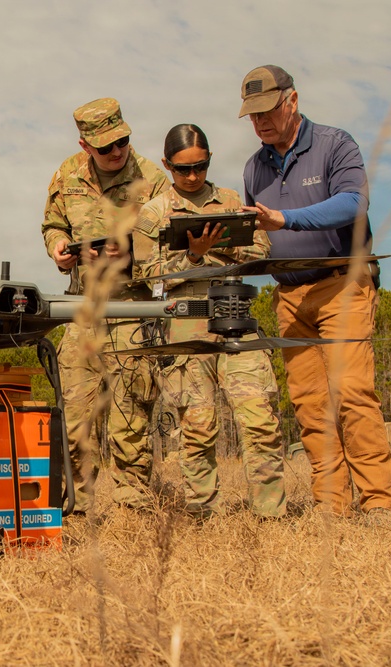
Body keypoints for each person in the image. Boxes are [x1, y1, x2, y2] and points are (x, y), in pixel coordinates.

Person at [238, 64, 391, 519]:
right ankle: (331, 505)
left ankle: (380, 503)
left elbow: (354, 203)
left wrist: (286, 219)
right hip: (288, 296)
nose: (260, 122)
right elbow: (259, 234)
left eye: (267, 110)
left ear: (291, 100)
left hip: (341, 285)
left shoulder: (335, 143)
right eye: (252, 116)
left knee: (351, 392)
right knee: (309, 404)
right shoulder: (254, 166)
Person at [133, 123, 286, 519]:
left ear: (209, 160)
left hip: (235, 315)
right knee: (197, 427)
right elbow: (146, 273)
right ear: (167, 165)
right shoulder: (153, 213)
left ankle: (270, 513)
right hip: (186, 324)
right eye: (182, 169)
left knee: (259, 420)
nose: (192, 176)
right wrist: (195, 257)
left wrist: (216, 247)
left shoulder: (231, 199)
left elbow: (259, 248)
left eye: (199, 166)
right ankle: (203, 514)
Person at [41, 98, 170, 511]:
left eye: (123, 141)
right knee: (76, 413)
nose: (117, 152)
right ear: (84, 145)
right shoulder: (66, 175)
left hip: (132, 307)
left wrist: (127, 255)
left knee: (130, 410)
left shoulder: (152, 179)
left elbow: (171, 241)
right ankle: (78, 504)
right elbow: (53, 223)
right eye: (106, 147)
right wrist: (58, 248)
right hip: (82, 309)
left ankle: (134, 503)